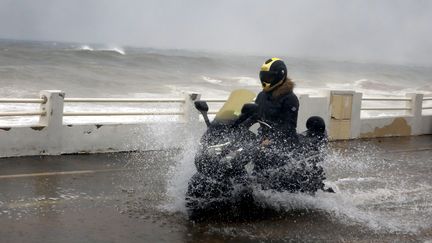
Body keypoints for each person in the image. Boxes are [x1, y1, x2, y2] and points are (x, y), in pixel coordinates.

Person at [255, 57, 299, 148]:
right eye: (264, 77)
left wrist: (271, 138)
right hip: (263, 137)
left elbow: (289, 126)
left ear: (279, 76)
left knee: (261, 159)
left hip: (285, 142)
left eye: (269, 77)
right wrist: (238, 124)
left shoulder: (290, 98)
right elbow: (253, 114)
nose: (265, 80)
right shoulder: (261, 95)